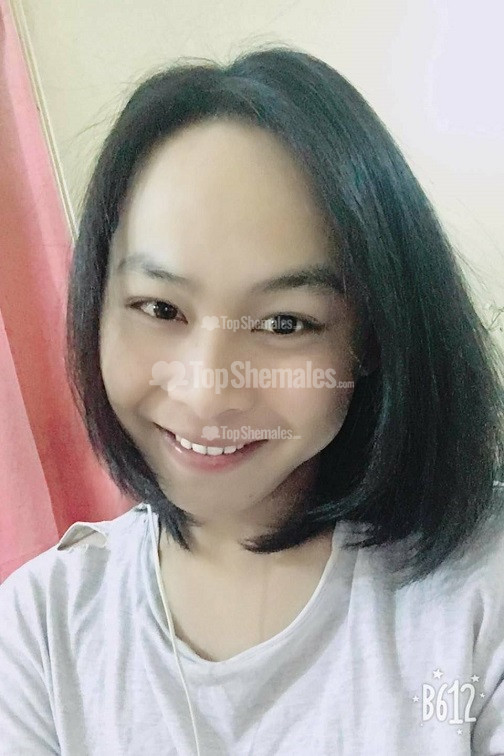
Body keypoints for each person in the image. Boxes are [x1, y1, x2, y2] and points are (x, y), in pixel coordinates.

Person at [0, 44, 503, 756]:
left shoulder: (480, 594)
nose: (207, 392)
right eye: (160, 308)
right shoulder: (41, 634)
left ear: (373, 338)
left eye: (285, 323)